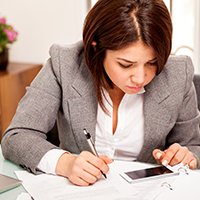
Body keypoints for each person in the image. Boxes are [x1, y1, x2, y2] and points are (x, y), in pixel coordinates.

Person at [1, 0, 200, 186]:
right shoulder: (65, 63)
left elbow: (194, 146)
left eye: (152, 62)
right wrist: (65, 163)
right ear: (97, 49)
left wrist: (187, 156)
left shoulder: (177, 74)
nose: (140, 78)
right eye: (126, 64)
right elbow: (17, 136)